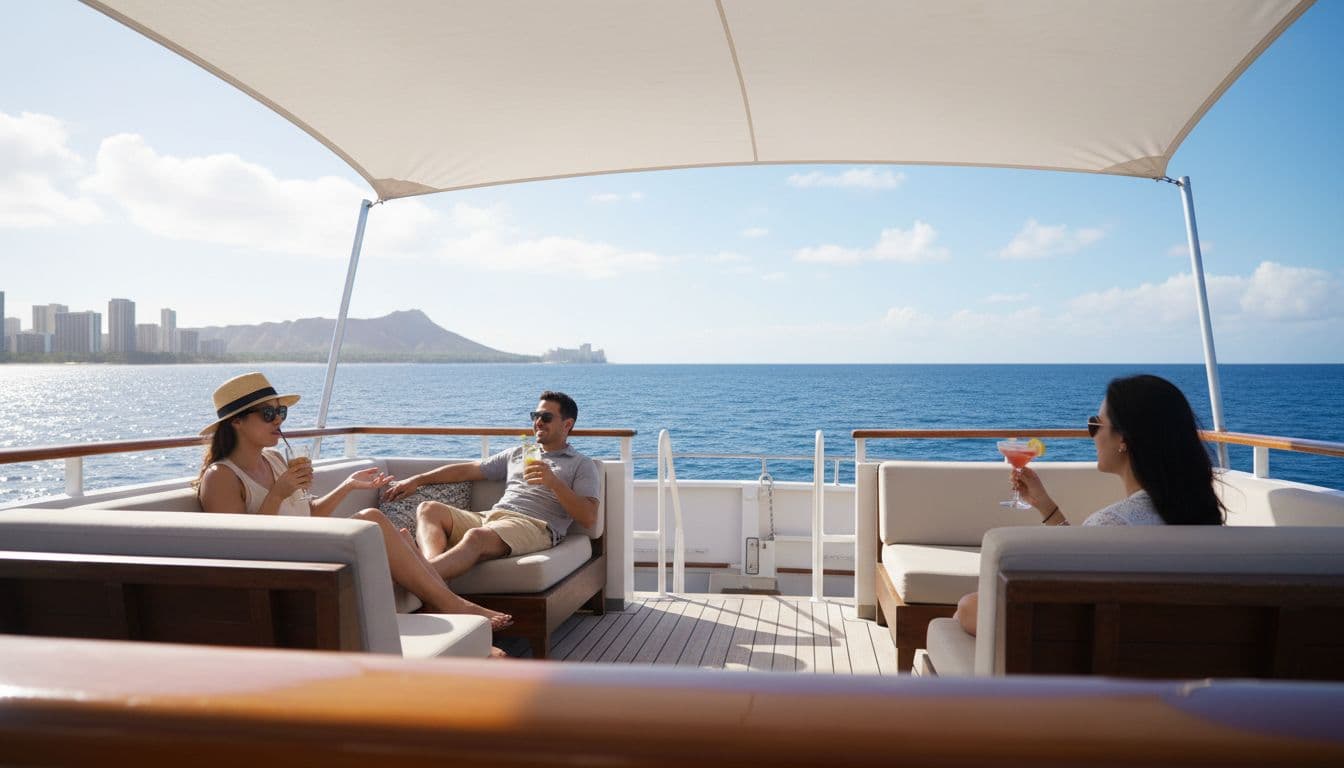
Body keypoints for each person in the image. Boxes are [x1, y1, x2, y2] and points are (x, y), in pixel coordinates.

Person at [195, 372, 512, 630]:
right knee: (373, 521)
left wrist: (347, 486)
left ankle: (446, 609)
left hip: (305, 547)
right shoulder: (222, 476)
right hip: (280, 567)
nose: (279, 420)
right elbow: (239, 547)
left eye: (281, 411)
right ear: (237, 421)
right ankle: (452, 605)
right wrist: (278, 492)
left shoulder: (276, 460)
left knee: (398, 536)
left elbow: (311, 515)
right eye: (268, 413)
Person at [953, 374, 1225, 635]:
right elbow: (1079, 564)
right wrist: (1047, 507)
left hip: (1094, 667)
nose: (1090, 435)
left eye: (1095, 425)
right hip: (1165, 663)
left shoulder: (1113, 525)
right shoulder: (1203, 523)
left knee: (966, 609)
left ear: (1123, 439)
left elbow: (1067, 611)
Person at [383, 390, 601, 582]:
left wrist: (553, 482)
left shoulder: (581, 464)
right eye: (535, 416)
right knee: (429, 509)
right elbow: (468, 470)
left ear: (567, 424)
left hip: (535, 526)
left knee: (476, 537)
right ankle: (432, 580)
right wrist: (416, 480)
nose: (538, 422)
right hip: (493, 517)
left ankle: (410, 581)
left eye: (546, 417)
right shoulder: (517, 453)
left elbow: (588, 517)